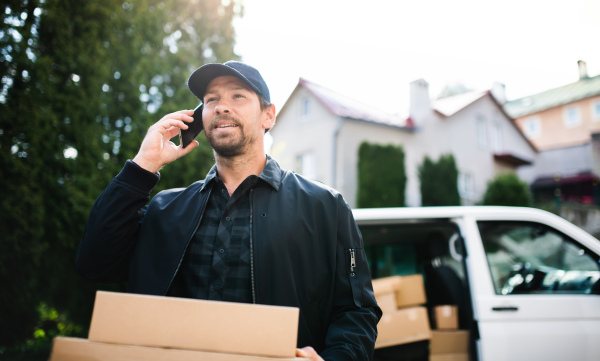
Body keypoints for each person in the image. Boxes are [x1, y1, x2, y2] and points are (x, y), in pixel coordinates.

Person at [76, 61, 382, 360]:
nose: (222, 106)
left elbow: (356, 311)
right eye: (211, 100)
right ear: (201, 117)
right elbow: (95, 264)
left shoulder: (325, 207)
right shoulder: (165, 209)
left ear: (268, 116)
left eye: (238, 95)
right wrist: (143, 166)